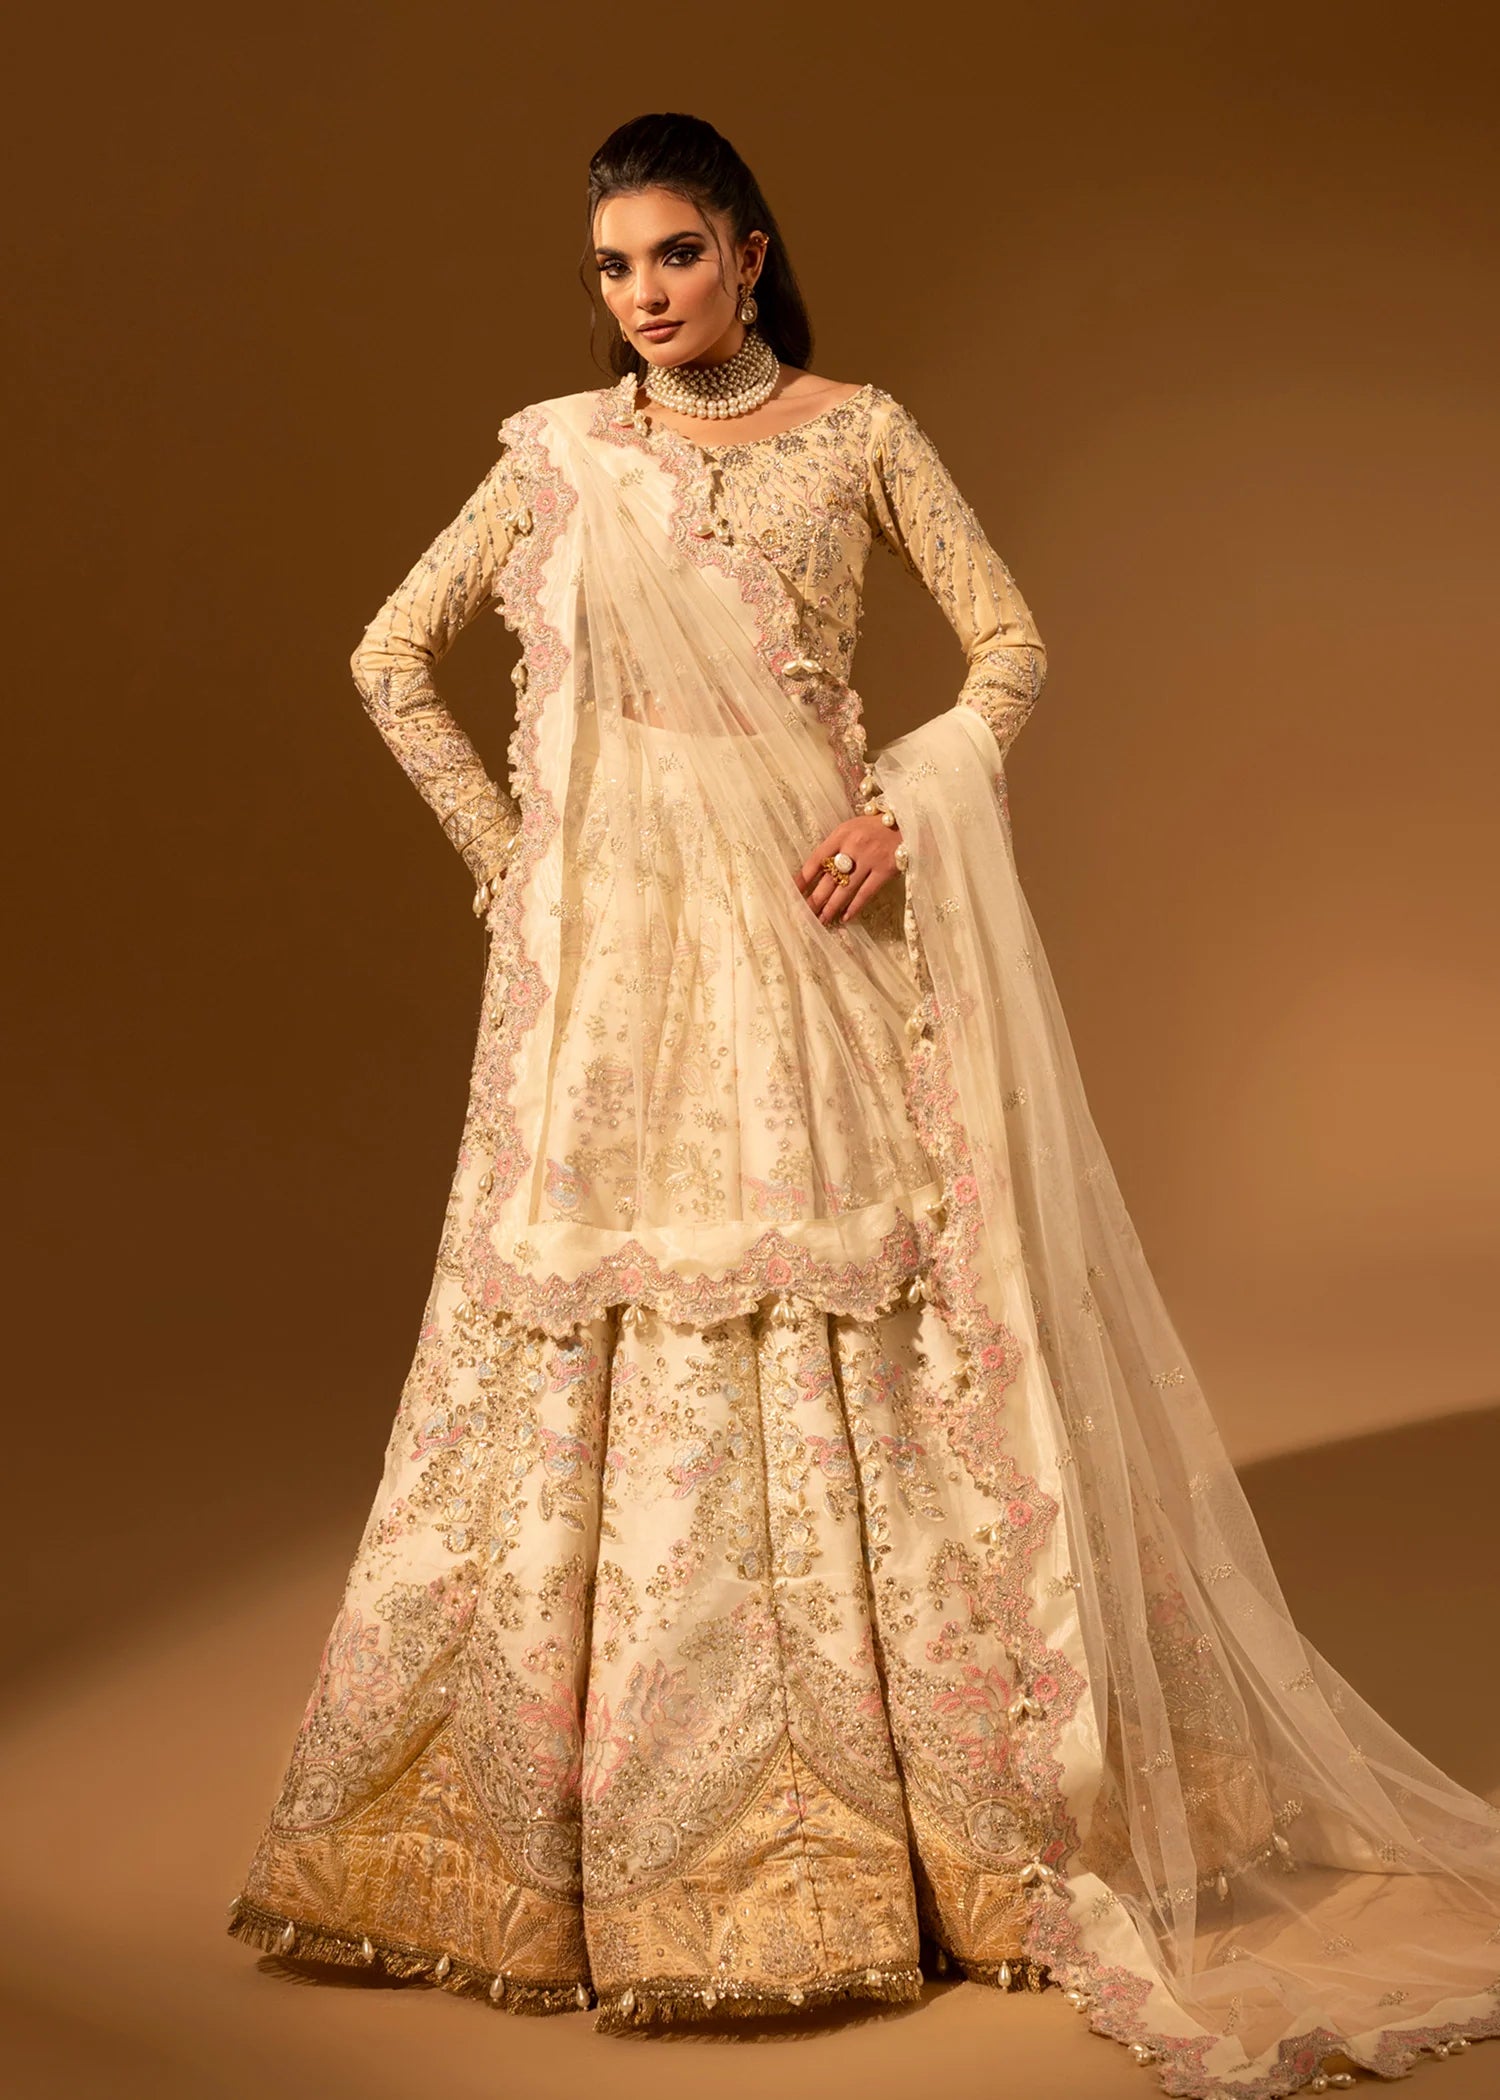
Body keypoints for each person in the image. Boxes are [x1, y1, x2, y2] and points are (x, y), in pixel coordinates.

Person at [227, 112, 1500, 2094]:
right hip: (609, 975)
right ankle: (592, 1850)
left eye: (676, 254)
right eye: (613, 268)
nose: (645, 296)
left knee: (871, 1324)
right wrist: (518, 865)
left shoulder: (862, 435)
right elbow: (391, 660)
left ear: (750, 250)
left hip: (805, 941)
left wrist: (903, 805)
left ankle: (920, 1840)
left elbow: (1010, 646)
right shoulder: (559, 459)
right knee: (588, 1335)